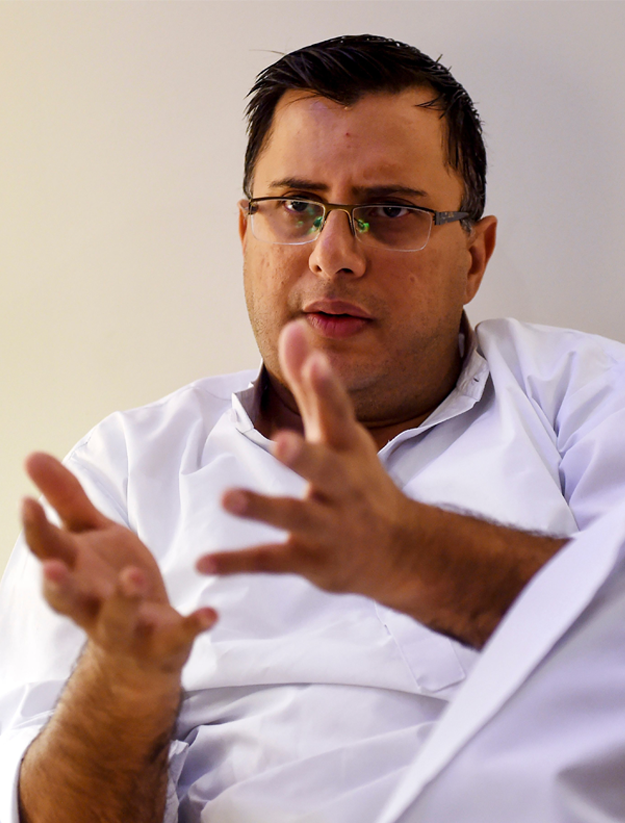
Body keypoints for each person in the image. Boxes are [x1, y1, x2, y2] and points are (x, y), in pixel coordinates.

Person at [1, 33, 624, 823]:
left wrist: (413, 553)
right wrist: (124, 679)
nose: (332, 256)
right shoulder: (122, 474)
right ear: (244, 233)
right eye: (295, 207)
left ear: (474, 253)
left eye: (388, 211)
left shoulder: (587, 397)